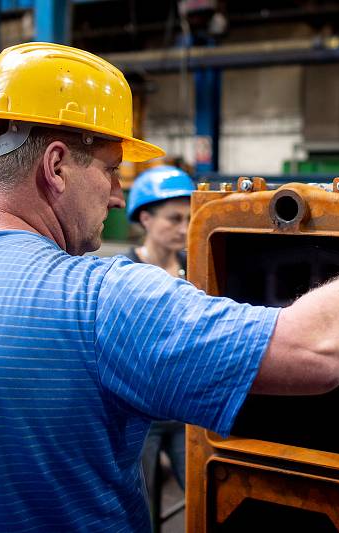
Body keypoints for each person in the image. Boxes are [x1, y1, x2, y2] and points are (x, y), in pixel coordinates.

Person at [0, 42, 339, 532]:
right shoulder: (101, 301)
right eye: (111, 171)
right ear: (56, 166)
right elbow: (319, 350)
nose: (116, 197)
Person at [125, 164, 195, 530]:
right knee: (142, 508)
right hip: (143, 415)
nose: (184, 228)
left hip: (186, 413)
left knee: (202, 498)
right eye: (174, 218)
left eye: (188, 217)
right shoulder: (125, 273)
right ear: (146, 217)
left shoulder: (197, 266)